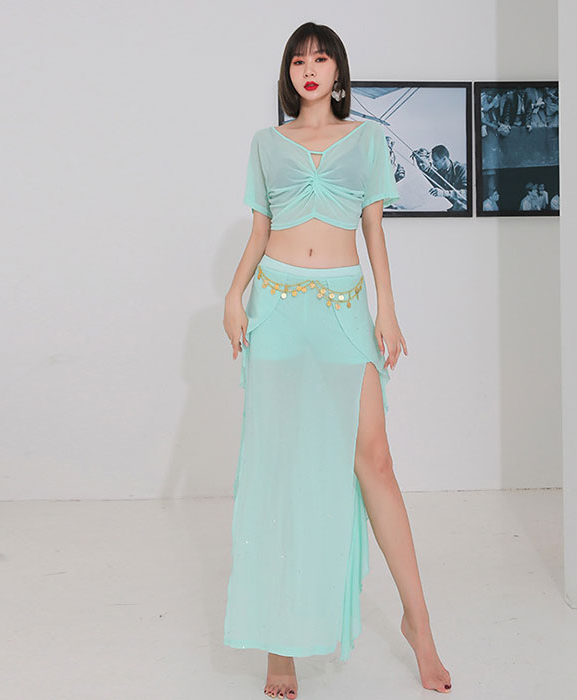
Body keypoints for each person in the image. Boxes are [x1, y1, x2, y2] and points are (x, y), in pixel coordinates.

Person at [222, 22, 453, 699]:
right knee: (279, 467)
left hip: (344, 308)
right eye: (299, 60)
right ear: (288, 74)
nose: (310, 68)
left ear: (337, 71)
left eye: (320, 58)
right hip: (276, 308)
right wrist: (233, 295)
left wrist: (387, 308)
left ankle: (419, 625)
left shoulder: (367, 140)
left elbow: (374, 229)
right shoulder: (266, 143)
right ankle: (280, 647)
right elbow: (260, 229)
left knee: (374, 461)